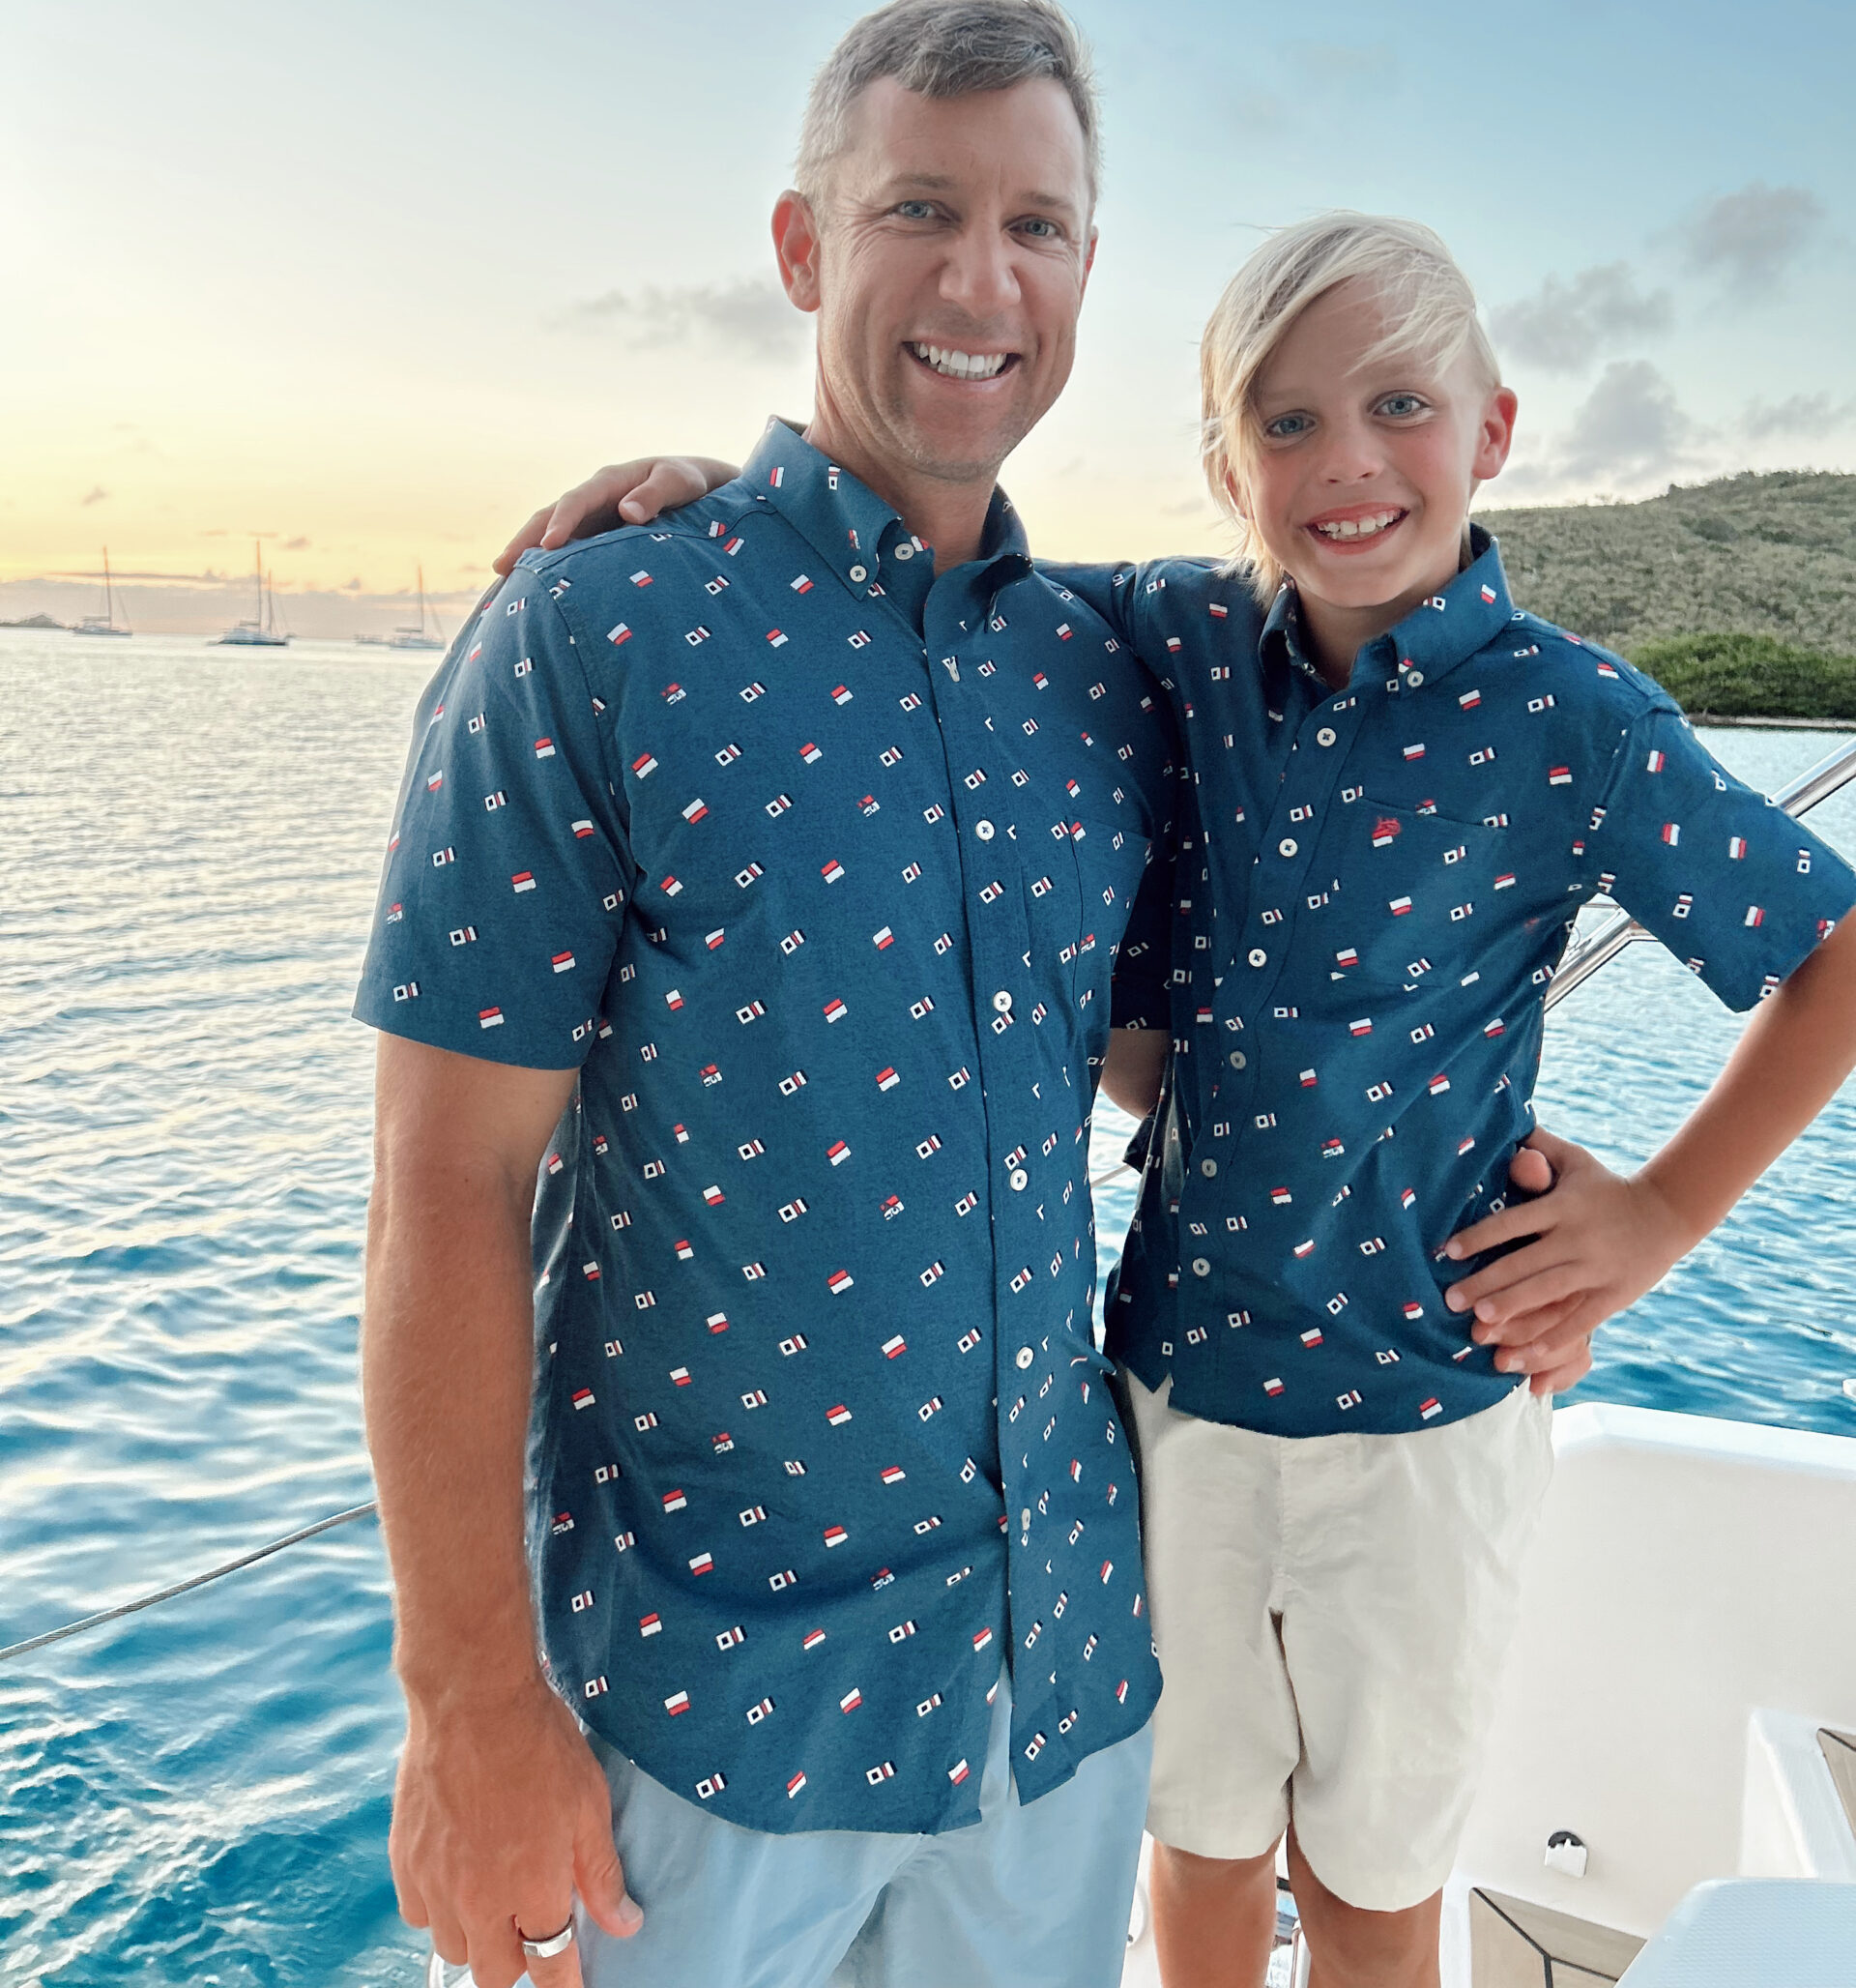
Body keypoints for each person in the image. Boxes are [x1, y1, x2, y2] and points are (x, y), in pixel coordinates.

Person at [527, 209, 1856, 1988]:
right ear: (1228, 462)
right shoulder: (1170, 639)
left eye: (1399, 406)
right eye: (1289, 423)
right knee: (1200, 1855)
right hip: (1173, 1405)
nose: (1349, 463)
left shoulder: (1571, 720)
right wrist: (728, 496)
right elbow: (916, 576)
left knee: (1379, 1888)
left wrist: (1660, 1217)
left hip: (1429, 1415)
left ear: (1497, 431)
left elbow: (1826, 953)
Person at [354, 0, 1181, 1988]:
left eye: (1040, 225)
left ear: (1085, 267)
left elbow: (1172, 1066)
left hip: (1055, 1695)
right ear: (806, 244)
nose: (983, 276)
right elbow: (444, 1191)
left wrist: (1534, 1184)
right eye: (921, 207)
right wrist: (469, 1705)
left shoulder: (1112, 674)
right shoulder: (600, 628)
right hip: (695, 1732)